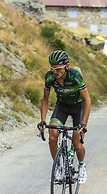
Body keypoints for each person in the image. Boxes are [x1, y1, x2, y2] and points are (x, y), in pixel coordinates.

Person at [37, 50, 91, 184]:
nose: (55, 72)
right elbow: (45, 99)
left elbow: (87, 100)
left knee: (77, 144)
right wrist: (43, 120)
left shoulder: (75, 76)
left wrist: (83, 125)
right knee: (52, 135)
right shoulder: (49, 77)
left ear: (66, 66)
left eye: (58, 68)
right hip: (62, 106)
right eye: (52, 68)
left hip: (78, 106)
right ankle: (58, 167)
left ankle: (82, 165)